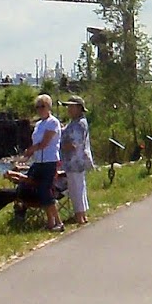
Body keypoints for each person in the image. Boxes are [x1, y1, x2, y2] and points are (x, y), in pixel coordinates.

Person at [0, 93, 64, 230]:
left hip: (49, 161)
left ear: (48, 106)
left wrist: (28, 154)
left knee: (44, 191)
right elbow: (31, 170)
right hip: (38, 162)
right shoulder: (39, 124)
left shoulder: (53, 122)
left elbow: (44, 143)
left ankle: (57, 223)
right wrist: (22, 162)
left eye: (42, 106)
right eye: (37, 107)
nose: (39, 109)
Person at [59, 96, 94, 224]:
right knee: (79, 188)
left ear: (79, 108)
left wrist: (60, 145)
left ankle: (79, 216)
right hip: (74, 162)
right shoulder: (76, 122)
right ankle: (82, 215)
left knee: (75, 189)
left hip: (75, 161)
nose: (69, 109)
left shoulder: (79, 124)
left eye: (71, 106)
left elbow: (74, 144)